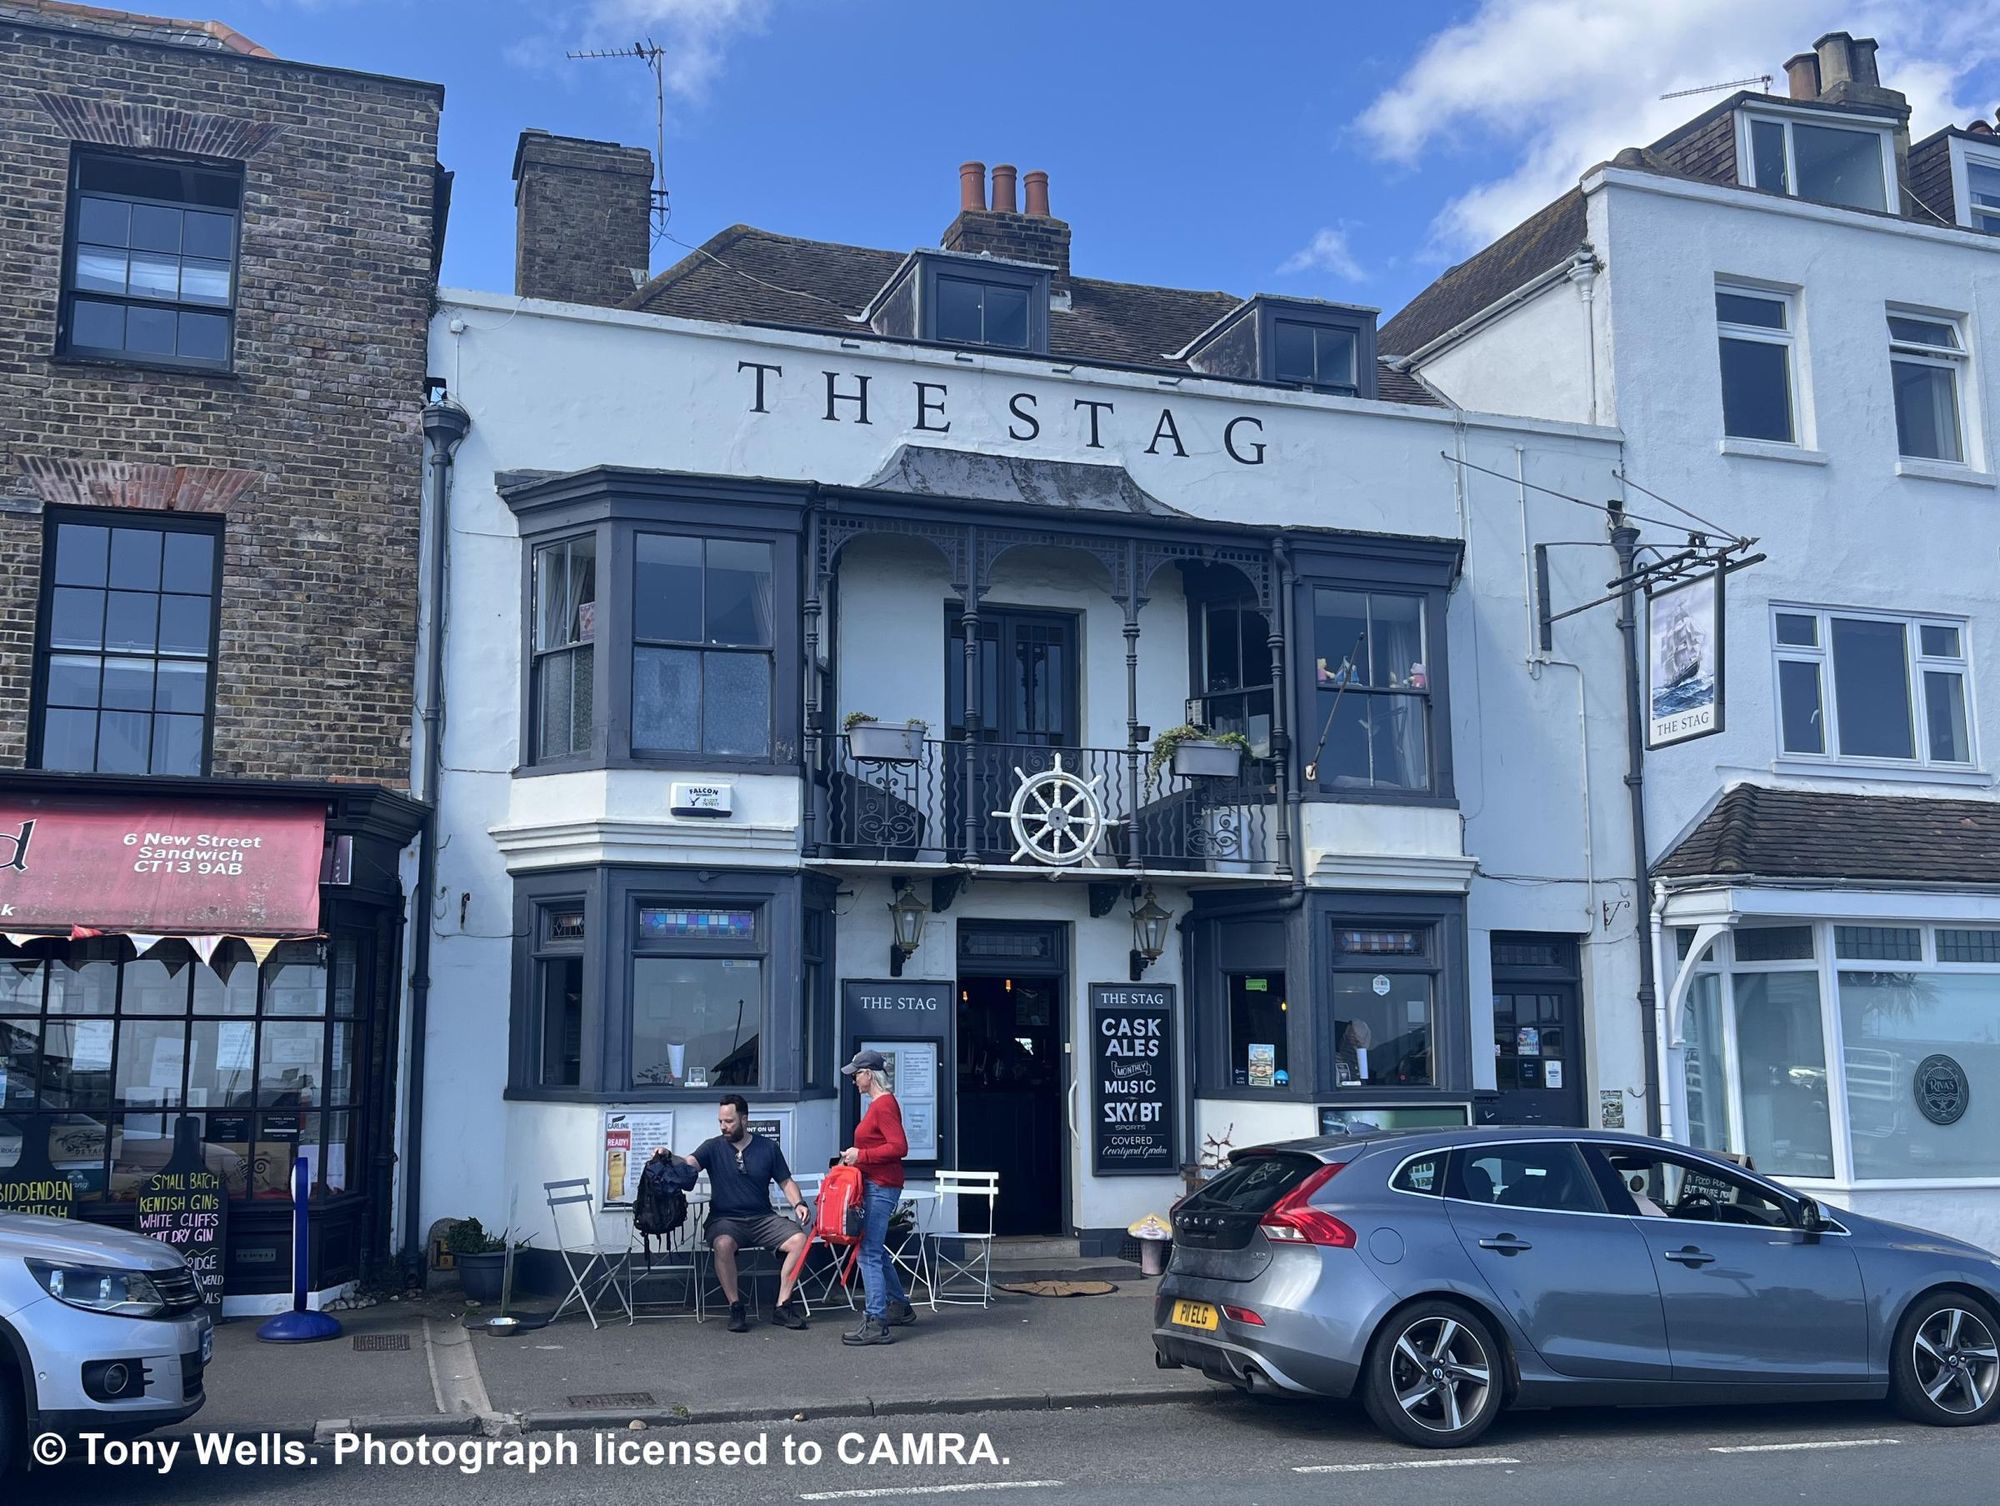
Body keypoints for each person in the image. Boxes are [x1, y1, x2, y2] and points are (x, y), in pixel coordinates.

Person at [673, 1094, 811, 1333]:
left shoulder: (767, 1147)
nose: (724, 1127)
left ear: (744, 1120)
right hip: (725, 1220)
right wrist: (668, 1156)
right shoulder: (712, 1146)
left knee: (800, 1240)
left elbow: (786, 1181)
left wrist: (799, 1203)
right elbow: (689, 1163)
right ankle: (736, 1307)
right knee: (723, 1243)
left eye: (729, 1121)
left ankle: (782, 1306)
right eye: (721, 1122)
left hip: (762, 1218)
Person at [838, 1048, 914, 1346]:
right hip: (879, 1183)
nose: (854, 1080)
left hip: (881, 1186)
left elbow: (899, 1147)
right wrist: (856, 1157)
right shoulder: (879, 1105)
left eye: (856, 1074)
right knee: (875, 1249)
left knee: (867, 1252)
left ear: (869, 1074)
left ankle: (876, 1321)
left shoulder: (883, 1106)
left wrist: (861, 1155)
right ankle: (899, 1306)